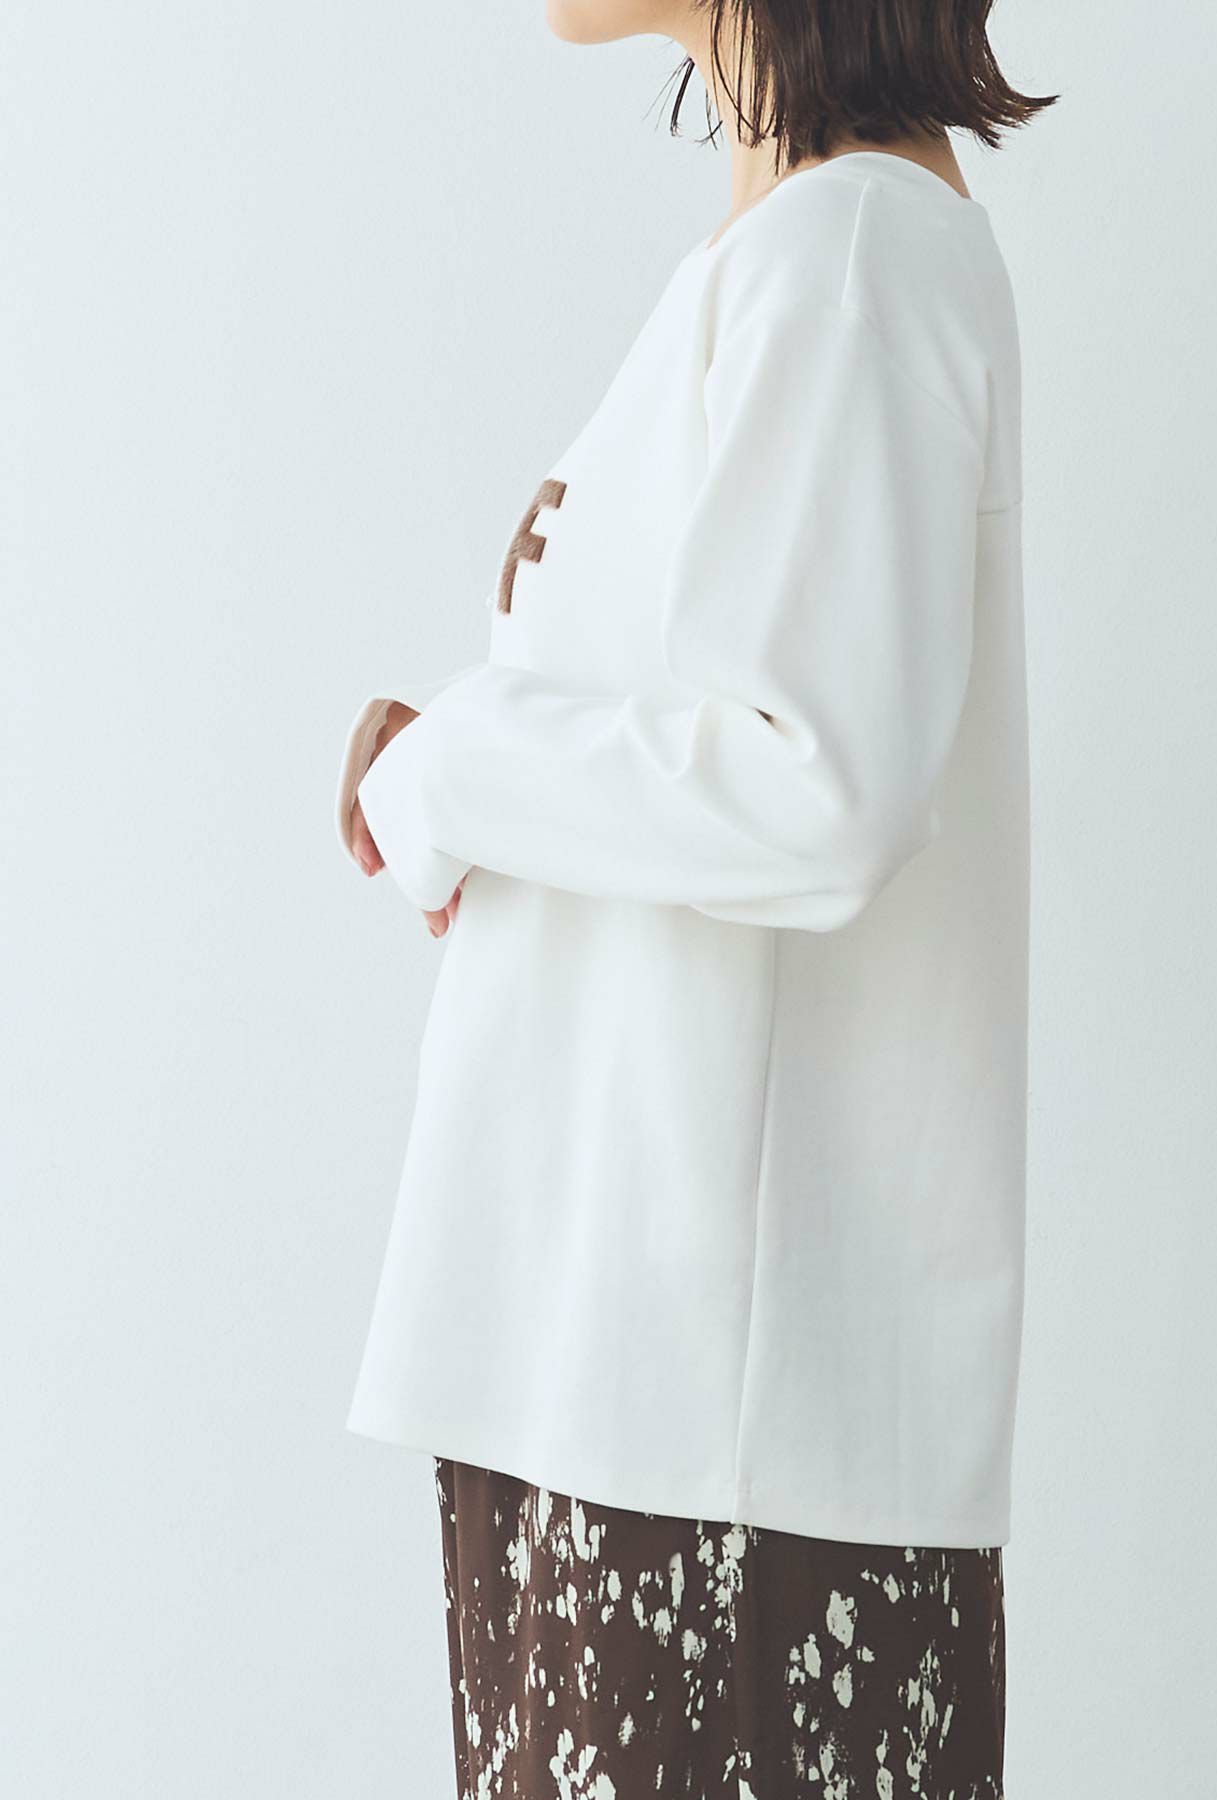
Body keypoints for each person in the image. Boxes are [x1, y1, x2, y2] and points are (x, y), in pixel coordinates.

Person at [333, 3, 1054, 1793]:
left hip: (716, 1450)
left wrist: (466, 769)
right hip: (622, 1404)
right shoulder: (786, 255)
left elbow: (818, 788)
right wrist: (484, 773)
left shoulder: (855, 254)